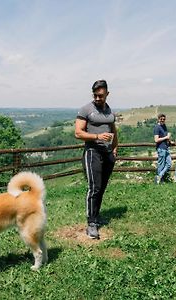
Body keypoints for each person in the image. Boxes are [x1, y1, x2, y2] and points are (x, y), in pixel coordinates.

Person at [75, 79, 118, 239]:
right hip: (92, 151)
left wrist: (114, 148)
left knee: (102, 187)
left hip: (107, 154)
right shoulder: (86, 109)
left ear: (107, 94)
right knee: (95, 187)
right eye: (95, 95)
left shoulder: (109, 111)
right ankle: (91, 223)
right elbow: (78, 132)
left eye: (101, 95)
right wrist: (97, 136)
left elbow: (113, 130)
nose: (98, 98)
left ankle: (97, 215)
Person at [153, 113, 172, 184]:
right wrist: (166, 137)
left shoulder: (164, 126)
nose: (162, 120)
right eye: (161, 119)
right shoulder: (157, 127)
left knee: (169, 164)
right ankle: (159, 180)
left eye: (164, 119)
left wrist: (169, 140)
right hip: (161, 148)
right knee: (161, 165)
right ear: (158, 119)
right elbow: (156, 140)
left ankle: (159, 176)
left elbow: (165, 137)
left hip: (166, 148)